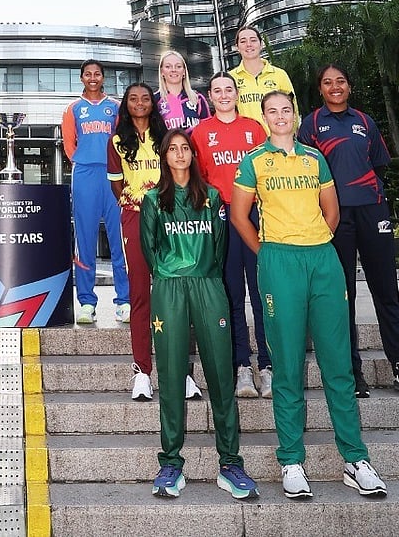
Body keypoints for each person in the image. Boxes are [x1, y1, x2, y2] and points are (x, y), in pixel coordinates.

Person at [231, 91, 387, 500]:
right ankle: (291, 461)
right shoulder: (254, 162)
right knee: (286, 364)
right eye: (272, 111)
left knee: (338, 362)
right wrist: (267, 252)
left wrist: (316, 242)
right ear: (263, 117)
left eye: (286, 110)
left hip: (322, 259)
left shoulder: (314, 158)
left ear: (295, 115)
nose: (280, 116)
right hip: (279, 261)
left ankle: (355, 459)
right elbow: (238, 214)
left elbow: (331, 211)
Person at [139, 129, 257, 501]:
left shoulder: (212, 198)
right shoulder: (154, 199)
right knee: (172, 375)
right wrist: (174, 273)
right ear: (164, 156)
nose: (178, 154)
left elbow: (220, 249)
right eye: (171, 149)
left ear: (192, 155)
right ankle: (171, 463)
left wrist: (202, 273)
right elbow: (150, 249)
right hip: (170, 289)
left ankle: (231, 464)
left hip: (208, 285)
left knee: (222, 375)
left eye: (184, 149)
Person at [298, 64, 399, 398]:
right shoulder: (310, 125)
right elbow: (305, 172)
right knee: (343, 298)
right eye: (327, 82)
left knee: (386, 292)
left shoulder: (365, 122)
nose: (334, 86)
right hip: (335, 218)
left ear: (349, 87)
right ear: (320, 90)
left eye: (340, 81)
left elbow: (379, 164)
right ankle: (352, 372)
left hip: (372, 211)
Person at [189, 72, 271, 399]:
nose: (224, 95)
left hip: (253, 214)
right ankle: (242, 367)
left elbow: (267, 171)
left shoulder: (254, 128)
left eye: (229, 89)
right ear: (210, 96)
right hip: (222, 215)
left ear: (237, 94)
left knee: (263, 291)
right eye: (217, 90)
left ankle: (267, 366)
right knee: (232, 294)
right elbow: (198, 178)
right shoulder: (201, 131)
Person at [107, 82, 167, 401]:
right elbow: (117, 186)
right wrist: (136, 204)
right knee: (140, 295)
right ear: (126, 105)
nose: (140, 103)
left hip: (169, 218)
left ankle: (179, 372)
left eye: (146, 98)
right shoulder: (117, 140)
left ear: (152, 104)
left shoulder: (166, 138)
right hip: (134, 218)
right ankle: (142, 372)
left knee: (175, 293)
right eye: (134, 99)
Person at [61, 59, 129, 325]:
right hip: (85, 175)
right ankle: (87, 302)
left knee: (119, 238)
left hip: (113, 176)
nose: (92, 78)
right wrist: (83, 159)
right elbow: (69, 145)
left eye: (97, 74)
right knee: (85, 240)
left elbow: (124, 140)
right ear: (81, 78)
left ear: (103, 77)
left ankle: (123, 300)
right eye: (88, 74)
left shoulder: (115, 107)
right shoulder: (73, 109)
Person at [228, 26, 297, 133]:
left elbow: (293, 109)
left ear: (261, 44)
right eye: (243, 41)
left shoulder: (279, 74)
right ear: (237, 47)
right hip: (245, 141)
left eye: (253, 40)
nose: (249, 44)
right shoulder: (230, 78)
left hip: (277, 141)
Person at [155, 50, 208, 132]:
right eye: (168, 66)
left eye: (178, 66)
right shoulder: (155, 100)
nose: (173, 70)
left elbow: (207, 131)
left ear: (184, 72)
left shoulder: (198, 99)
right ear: (162, 72)